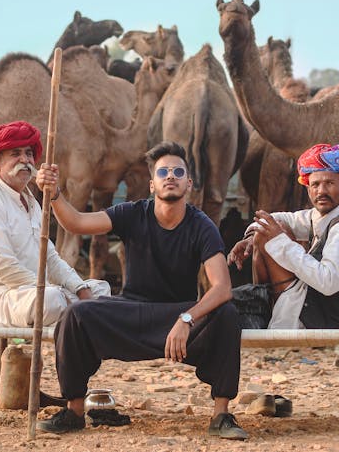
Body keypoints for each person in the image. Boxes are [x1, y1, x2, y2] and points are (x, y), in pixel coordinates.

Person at [35, 141, 248, 440]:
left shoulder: (202, 226)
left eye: (177, 171)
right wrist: (54, 194)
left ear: (189, 183)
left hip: (178, 317)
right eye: (163, 172)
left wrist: (187, 318)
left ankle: (221, 415)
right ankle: (74, 411)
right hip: (131, 313)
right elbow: (77, 222)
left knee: (226, 313)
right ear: (152, 184)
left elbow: (222, 288)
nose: (170, 176)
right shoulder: (132, 213)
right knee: (76, 315)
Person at [0, 120, 110, 330]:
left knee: (100, 290)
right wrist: (58, 292)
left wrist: (80, 289)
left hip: (30, 293)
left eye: (29, 153)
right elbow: (4, 268)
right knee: (51, 300)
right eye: (15, 154)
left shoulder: (30, 200)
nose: (25, 159)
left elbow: (50, 258)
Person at [228, 143, 339, 330]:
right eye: (315, 184)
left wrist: (280, 242)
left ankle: (263, 308)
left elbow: (328, 282)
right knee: (265, 232)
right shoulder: (320, 215)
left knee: (270, 235)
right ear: (308, 189)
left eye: (329, 183)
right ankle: (263, 303)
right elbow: (279, 219)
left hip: (333, 319)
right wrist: (251, 236)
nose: (321, 191)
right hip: (320, 308)